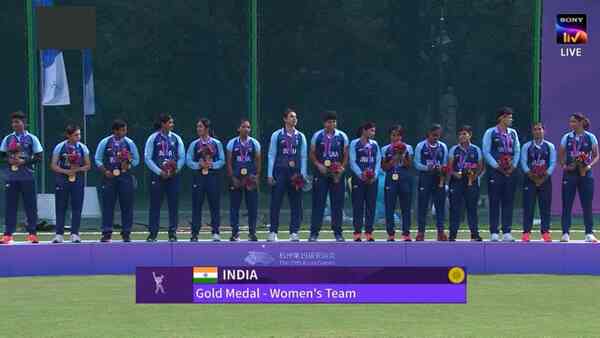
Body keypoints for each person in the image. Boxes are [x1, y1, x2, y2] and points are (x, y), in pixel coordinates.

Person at [0, 111, 44, 244]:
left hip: (27, 177)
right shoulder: (8, 139)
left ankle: (32, 234)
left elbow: (39, 157)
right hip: (11, 178)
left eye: (17, 122)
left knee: (30, 206)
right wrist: (10, 160)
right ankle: (8, 234)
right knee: (10, 206)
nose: (15, 125)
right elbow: (2, 155)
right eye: (13, 122)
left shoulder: (32, 138)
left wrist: (23, 162)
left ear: (24, 123)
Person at [94, 119, 140, 242]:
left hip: (125, 177)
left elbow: (136, 159)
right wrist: (105, 171)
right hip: (109, 177)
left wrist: (128, 165)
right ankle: (106, 232)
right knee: (108, 205)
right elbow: (97, 159)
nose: (125, 132)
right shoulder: (105, 142)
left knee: (127, 205)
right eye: (123, 130)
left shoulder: (130, 143)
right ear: (115, 131)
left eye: (125, 129)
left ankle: (126, 232)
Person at [267, 108, 308, 242]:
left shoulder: (301, 136)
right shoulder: (277, 135)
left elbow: (303, 156)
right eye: (291, 117)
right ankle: (273, 231)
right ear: (285, 119)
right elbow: (271, 155)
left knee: (296, 203)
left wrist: (303, 174)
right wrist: (269, 174)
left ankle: (294, 232)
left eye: (295, 117)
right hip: (280, 172)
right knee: (276, 202)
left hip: (295, 173)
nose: (294, 119)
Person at [144, 113, 185, 242]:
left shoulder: (177, 138)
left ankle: (172, 233)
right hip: (158, 176)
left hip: (173, 176)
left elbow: (182, 156)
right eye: (170, 122)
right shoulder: (153, 138)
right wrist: (159, 171)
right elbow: (147, 157)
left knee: (173, 205)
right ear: (163, 124)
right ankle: (153, 233)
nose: (172, 125)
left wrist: (175, 169)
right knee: (155, 205)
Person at [309, 111, 349, 242]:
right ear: (324, 123)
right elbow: (312, 153)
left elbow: (346, 155)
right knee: (318, 203)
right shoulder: (317, 136)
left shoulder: (342, 136)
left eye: (334, 122)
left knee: (337, 204)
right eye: (329, 122)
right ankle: (314, 233)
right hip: (321, 173)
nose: (332, 124)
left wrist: (341, 169)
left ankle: (338, 233)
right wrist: (318, 165)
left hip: (337, 174)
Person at [559, 113, 599, 242]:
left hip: (585, 174)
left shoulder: (591, 137)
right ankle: (565, 232)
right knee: (567, 204)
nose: (571, 124)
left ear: (581, 122)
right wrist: (565, 166)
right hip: (570, 174)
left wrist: (588, 167)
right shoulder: (567, 137)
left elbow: (596, 155)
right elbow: (560, 155)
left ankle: (589, 233)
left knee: (587, 204)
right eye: (570, 122)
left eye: (574, 122)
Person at [482, 107, 520, 242]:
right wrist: (497, 166)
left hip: (510, 171)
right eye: (508, 117)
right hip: (495, 171)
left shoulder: (513, 133)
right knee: (494, 201)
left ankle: (507, 231)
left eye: (511, 117)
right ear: (501, 118)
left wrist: (513, 166)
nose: (511, 119)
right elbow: (486, 151)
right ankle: (493, 231)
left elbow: (517, 150)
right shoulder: (490, 132)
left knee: (508, 201)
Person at [50, 124, 91, 243]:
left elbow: (88, 165)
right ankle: (59, 234)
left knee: (77, 206)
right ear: (68, 135)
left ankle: (75, 233)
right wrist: (66, 171)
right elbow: (53, 165)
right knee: (60, 206)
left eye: (79, 134)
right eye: (76, 135)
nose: (79, 137)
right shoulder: (59, 147)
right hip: (62, 179)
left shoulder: (83, 147)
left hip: (77, 179)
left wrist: (76, 170)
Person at [186, 118, 225, 242]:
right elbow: (188, 160)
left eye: (200, 127)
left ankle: (216, 232)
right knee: (196, 205)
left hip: (213, 177)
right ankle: (195, 233)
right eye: (197, 127)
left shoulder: (216, 143)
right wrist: (199, 165)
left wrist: (212, 164)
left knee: (214, 205)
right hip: (198, 177)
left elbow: (222, 160)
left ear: (207, 129)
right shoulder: (194, 144)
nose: (198, 129)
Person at [520, 122, 556, 242]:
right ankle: (526, 232)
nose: (538, 131)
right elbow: (524, 163)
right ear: (532, 132)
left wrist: (543, 178)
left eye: (540, 129)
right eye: (535, 129)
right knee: (528, 207)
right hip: (530, 180)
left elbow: (552, 164)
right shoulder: (526, 146)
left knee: (545, 207)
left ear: (544, 131)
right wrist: (533, 177)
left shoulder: (550, 146)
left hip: (545, 180)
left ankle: (545, 232)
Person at [226, 119, 261, 241]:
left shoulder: (255, 143)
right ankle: (235, 233)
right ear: (238, 129)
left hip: (250, 180)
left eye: (248, 127)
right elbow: (229, 162)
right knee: (234, 206)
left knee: (252, 206)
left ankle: (252, 233)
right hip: (236, 179)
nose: (246, 129)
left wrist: (256, 176)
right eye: (244, 127)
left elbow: (258, 161)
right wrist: (232, 178)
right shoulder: (232, 143)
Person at [447, 125, 483, 241]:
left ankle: (474, 234)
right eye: (460, 134)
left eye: (464, 134)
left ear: (470, 135)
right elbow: (449, 167)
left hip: (471, 182)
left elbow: (481, 167)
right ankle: (452, 235)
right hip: (457, 181)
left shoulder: (476, 149)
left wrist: (474, 177)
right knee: (455, 209)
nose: (462, 136)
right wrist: (454, 174)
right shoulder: (454, 149)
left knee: (472, 208)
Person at [414, 124, 449, 241]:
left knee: (440, 206)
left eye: (438, 135)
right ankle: (420, 232)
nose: (436, 137)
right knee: (423, 206)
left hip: (439, 179)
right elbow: (416, 164)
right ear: (428, 133)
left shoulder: (443, 146)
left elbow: (445, 163)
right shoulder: (421, 146)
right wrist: (427, 167)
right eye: (434, 135)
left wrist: (442, 170)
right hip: (425, 178)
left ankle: (440, 232)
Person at [381, 125, 414, 241]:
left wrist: (402, 154)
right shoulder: (385, 149)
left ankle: (406, 233)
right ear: (390, 136)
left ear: (401, 136)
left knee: (406, 207)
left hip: (405, 178)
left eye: (398, 135)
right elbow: (384, 167)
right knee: (390, 207)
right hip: (391, 178)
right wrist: (394, 159)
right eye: (393, 135)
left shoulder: (408, 148)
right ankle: (391, 233)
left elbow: (409, 165)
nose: (396, 138)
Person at [349, 122, 381, 242]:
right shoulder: (354, 143)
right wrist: (361, 174)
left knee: (371, 206)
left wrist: (375, 175)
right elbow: (352, 161)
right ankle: (357, 232)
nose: (373, 133)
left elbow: (377, 161)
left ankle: (369, 232)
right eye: (371, 131)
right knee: (358, 205)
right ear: (364, 130)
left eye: (374, 131)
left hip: (372, 179)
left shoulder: (375, 144)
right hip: (359, 179)